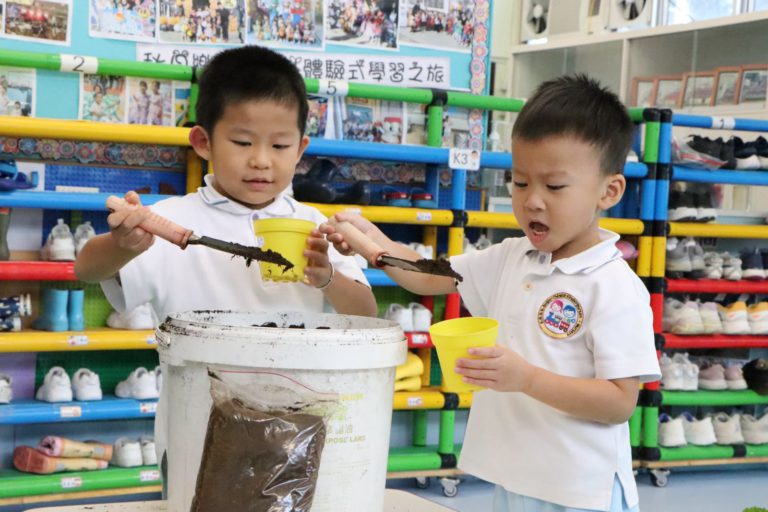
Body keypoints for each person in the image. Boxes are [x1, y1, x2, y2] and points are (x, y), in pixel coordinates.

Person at [324, 75, 660, 512]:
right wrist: (373, 242)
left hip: (582, 492)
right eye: (520, 183)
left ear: (608, 192)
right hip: (515, 479)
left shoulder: (613, 285)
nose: (532, 201)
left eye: (554, 187)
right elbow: (428, 277)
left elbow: (618, 403)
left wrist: (527, 379)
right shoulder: (512, 256)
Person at [75, 45, 377, 479]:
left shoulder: (314, 225)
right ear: (203, 142)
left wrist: (328, 277)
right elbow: (86, 269)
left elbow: (365, 313)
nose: (261, 160)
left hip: (297, 433)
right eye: (242, 142)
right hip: (194, 433)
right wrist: (123, 245)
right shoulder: (170, 221)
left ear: (300, 149)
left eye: (280, 145)